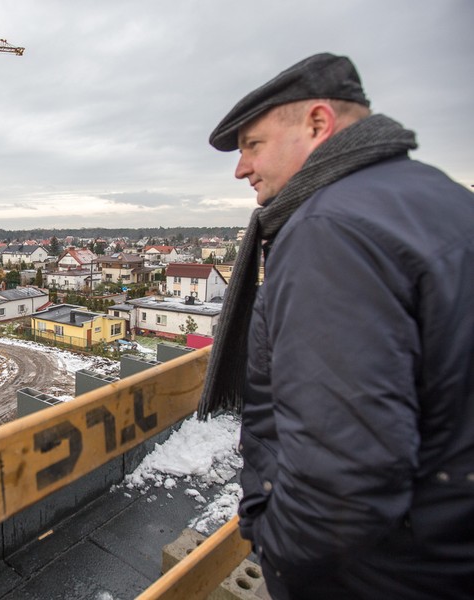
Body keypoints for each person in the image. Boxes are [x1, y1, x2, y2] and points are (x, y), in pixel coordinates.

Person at [200, 53, 473, 599]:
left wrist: (281, 552)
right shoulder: (442, 199)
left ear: (318, 124)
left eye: (252, 145)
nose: (240, 168)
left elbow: (344, 469)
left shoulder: (332, 230)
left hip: (385, 571)